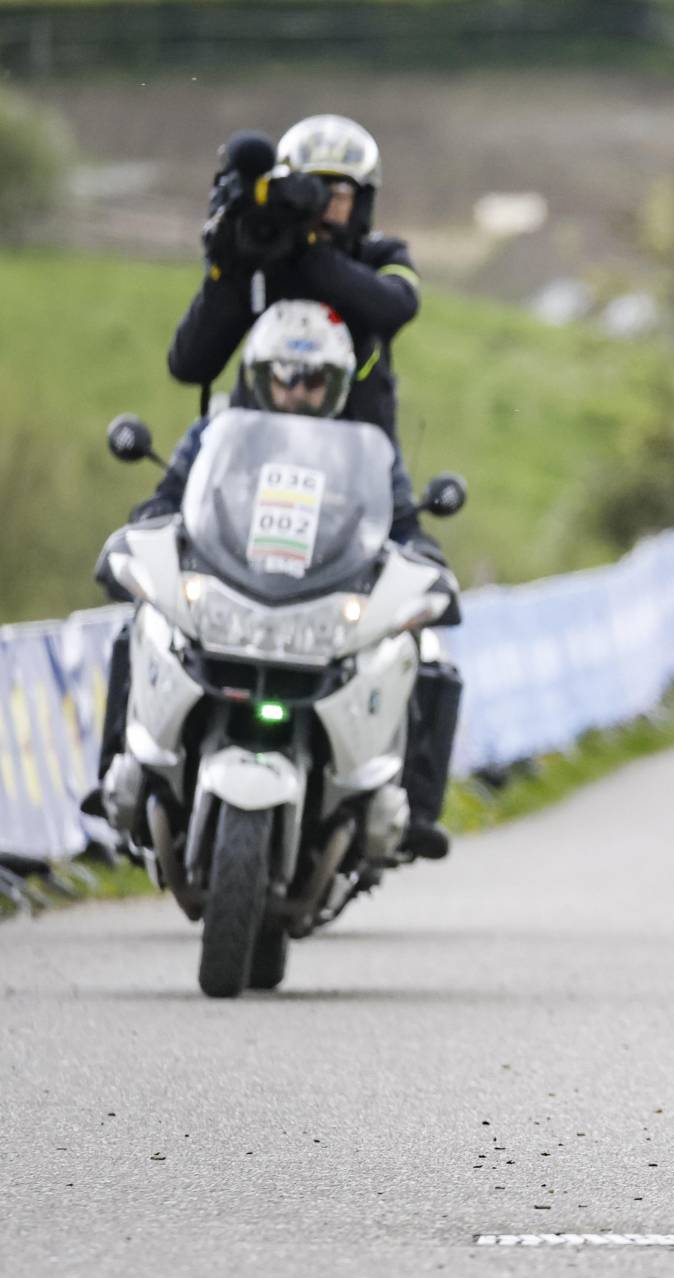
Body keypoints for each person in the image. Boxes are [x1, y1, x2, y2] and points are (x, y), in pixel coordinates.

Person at [92, 302, 458, 861]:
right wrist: (149, 527)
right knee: (141, 623)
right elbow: (168, 498)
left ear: (337, 386)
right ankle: (118, 768)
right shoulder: (216, 433)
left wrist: (424, 556)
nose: (297, 393)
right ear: (259, 376)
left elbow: (405, 524)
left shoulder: (367, 451)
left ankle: (416, 810)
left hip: (324, 606)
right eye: (284, 377)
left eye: (314, 381)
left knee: (426, 655)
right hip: (226, 594)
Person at [170, 115, 419, 444]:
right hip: (257, 453)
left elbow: (399, 305)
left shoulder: (380, 254)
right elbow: (190, 365)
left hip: (358, 454)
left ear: (361, 202)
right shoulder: (267, 258)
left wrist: (308, 252)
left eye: (339, 193)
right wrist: (227, 271)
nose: (325, 206)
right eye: (313, 190)